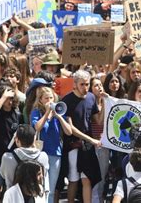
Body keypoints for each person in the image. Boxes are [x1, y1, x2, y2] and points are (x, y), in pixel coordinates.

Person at [62, 70, 102, 203]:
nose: (85, 88)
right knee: (73, 178)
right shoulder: (67, 100)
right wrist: (90, 139)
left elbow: (98, 120)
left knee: (87, 178)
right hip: (73, 144)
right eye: (82, 84)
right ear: (75, 84)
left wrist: (106, 102)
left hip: (88, 146)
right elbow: (70, 128)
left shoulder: (91, 98)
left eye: (87, 84)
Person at [30, 86, 72, 203]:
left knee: (51, 188)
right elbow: (37, 127)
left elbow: (69, 132)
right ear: (41, 100)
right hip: (41, 152)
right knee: (40, 186)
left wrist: (59, 117)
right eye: (46, 98)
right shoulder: (36, 112)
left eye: (51, 98)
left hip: (55, 153)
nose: (49, 101)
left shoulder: (59, 112)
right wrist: (47, 113)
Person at [0, 124, 50, 192]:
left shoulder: (7, 157)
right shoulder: (43, 156)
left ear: (17, 140)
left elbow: (3, 174)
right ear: (34, 139)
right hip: (36, 196)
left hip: (14, 196)